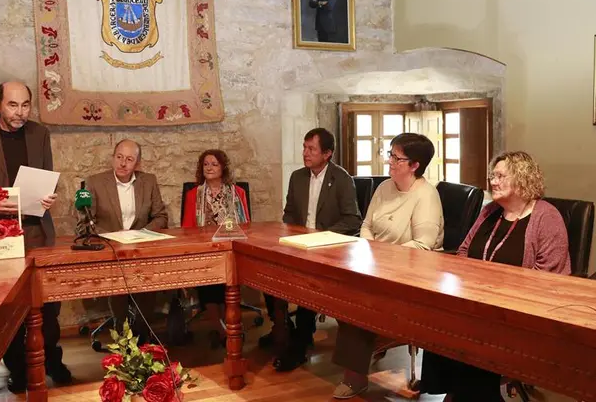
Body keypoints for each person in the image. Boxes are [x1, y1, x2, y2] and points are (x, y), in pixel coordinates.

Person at [419, 151, 571, 402]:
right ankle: (454, 393)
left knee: (476, 335)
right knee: (439, 320)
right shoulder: (490, 211)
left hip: (522, 310)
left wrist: (496, 293)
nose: (493, 182)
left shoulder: (546, 217)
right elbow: (465, 252)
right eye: (493, 176)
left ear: (522, 179)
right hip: (478, 301)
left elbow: (547, 280)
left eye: (501, 176)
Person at [0, 81, 70, 392]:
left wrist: (50, 196)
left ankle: (53, 361)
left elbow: (49, 177)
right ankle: (19, 369)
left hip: (37, 230)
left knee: (48, 306)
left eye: (25, 105)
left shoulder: (40, 133)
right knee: (12, 309)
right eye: (12, 105)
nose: (20, 112)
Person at [332, 133, 444, 399]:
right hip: (375, 266)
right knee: (340, 294)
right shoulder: (384, 188)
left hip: (412, 273)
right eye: (390, 154)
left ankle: (354, 377)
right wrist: (370, 252)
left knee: (357, 304)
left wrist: (382, 259)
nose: (390, 161)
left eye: (396, 157)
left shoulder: (425, 196)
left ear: (415, 165)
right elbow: (367, 226)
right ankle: (359, 358)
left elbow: (423, 245)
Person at [264, 127, 362, 372]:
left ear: (327, 153)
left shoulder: (342, 179)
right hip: (297, 243)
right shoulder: (297, 177)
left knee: (305, 284)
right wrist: (288, 236)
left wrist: (320, 236)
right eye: (304, 147)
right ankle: (283, 326)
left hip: (327, 247)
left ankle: (298, 343)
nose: (305, 153)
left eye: (311, 149)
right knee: (266, 273)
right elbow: (289, 214)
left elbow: (352, 220)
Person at [80, 139, 168, 344]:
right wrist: (113, 237)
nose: (123, 163)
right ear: (113, 158)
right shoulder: (94, 182)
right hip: (111, 251)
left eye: (129, 159)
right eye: (119, 157)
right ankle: (123, 337)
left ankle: (143, 339)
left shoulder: (149, 181)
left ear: (137, 164)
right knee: (120, 287)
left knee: (146, 288)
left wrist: (142, 234)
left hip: (141, 249)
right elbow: (85, 223)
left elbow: (161, 217)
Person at [181, 149, 249, 346]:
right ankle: (223, 330)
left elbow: (246, 226)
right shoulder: (194, 195)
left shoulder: (238, 193)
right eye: (206, 164)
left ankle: (226, 327)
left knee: (228, 282)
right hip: (205, 251)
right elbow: (187, 228)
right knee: (209, 285)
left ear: (223, 168)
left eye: (214, 164)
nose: (209, 168)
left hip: (231, 250)